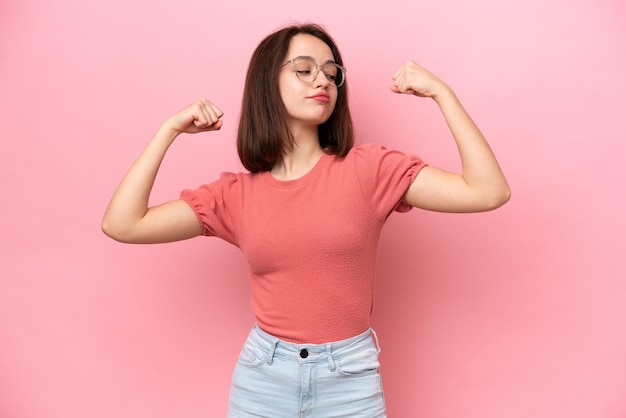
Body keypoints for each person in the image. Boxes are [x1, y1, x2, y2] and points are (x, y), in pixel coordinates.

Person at [102, 23, 510, 418]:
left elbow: (488, 191)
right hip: (263, 379)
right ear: (267, 83)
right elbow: (123, 224)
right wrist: (168, 130)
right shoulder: (234, 196)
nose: (323, 80)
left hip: (350, 379)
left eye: (332, 72)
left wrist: (443, 94)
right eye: (304, 68)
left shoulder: (370, 170)